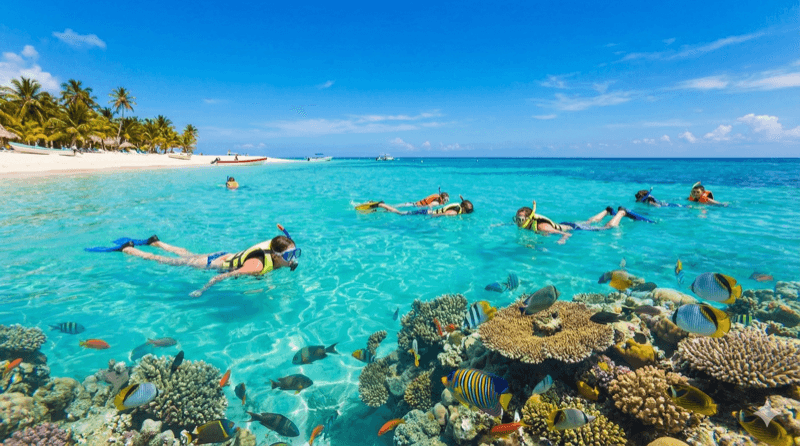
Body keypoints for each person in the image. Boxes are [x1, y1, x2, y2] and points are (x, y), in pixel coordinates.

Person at [113, 227, 299, 296]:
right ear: (275, 255)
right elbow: (224, 276)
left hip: (224, 254)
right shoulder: (256, 266)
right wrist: (202, 290)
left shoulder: (276, 252)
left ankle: (156, 242)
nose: (293, 260)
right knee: (168, 261)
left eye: (295, 254)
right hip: (212, 264)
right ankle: (129, 250)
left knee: (186, 253)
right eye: (289, 256)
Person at [513, 200, 634, 244]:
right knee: (588, 221)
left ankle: (621, 212)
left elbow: (566, 234)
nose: (518, 222)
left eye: (520, 220)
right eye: (517, 219)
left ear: (528, 219)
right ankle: (606, 211)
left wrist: (562, 240)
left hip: (573, 229)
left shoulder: (541, 226)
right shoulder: (526, 224)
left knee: (606, 228)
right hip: (567, 224)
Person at [365, 195, 473, 216]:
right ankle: (380, 205)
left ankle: (379, 208)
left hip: (424, 211)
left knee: (399, 211)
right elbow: (444, 213)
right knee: (400, 213)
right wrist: (431, 217)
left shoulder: (458, 206)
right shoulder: (455, 212)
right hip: (425, 212)